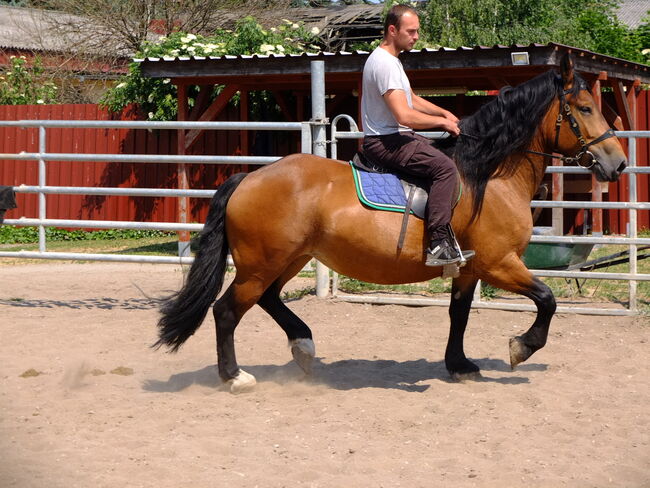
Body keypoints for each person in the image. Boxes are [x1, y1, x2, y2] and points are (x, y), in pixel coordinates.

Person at [361, 4, 473, 266]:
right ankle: (438, 244)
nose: (416, 36)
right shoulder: (384, 64)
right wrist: (441, 124)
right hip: (386, 141)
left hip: (396, 138)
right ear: (392, 30)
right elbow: (405, 115)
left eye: (417, 31)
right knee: (445, 169)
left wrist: (445, 113)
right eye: (411, 31)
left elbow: (411, 99)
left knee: (447, 152)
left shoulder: (391, 61)